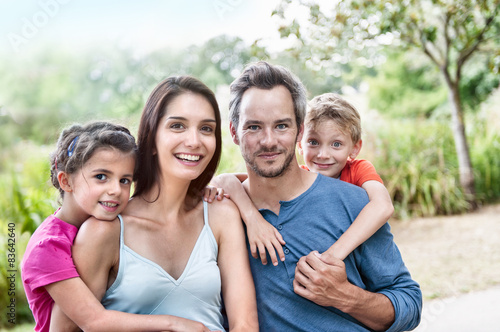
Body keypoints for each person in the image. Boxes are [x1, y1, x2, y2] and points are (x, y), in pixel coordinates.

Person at [218, 61, 422, 331]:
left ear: (300, 131)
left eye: (281, 126)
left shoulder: (356, 203)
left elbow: (410, 304)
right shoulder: (219, 213)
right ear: (234, 132)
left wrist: (345, 297)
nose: (268, 141)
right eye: (254, 127)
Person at [71, 76, 258, 332]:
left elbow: (245, 325)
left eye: (206, 128)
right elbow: (73, 327)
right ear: (152, 137)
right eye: (178, 126)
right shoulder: (106, 230)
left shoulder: (220, 215)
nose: (194, 141)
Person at [21, 122, 213, 331]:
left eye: (124, 180)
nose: (116, 190)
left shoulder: (108, 220)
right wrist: (174, 322)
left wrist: (200, 192)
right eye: (101, 177)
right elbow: (92, 321)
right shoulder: (48, 247)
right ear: (66, 181)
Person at [211, 93, 394, 265]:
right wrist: (253, 219)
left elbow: (383, 206)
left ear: (354, 148)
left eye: (336, 144)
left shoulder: (358, 169)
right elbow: (228, 180)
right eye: (313, 142)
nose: (323, 155)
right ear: (299, 142)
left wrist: (331, 256)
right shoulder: (302, 177)